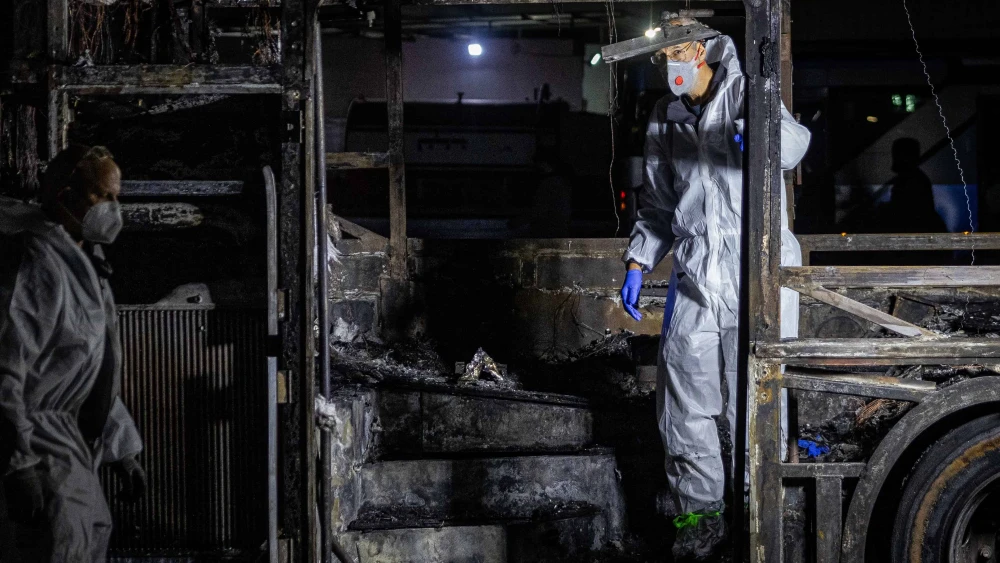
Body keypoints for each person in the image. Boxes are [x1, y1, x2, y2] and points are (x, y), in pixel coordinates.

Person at [615, 16, 811, 561]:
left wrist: (763, 135)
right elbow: (656, 201)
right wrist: (638, 260)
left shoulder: (749, 92)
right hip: (697, 273)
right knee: (683, 401)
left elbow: (795, 147)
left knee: (757, 396)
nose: (665, 68)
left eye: (671, 56)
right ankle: (700, 516)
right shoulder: (665, 115)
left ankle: (759, 507)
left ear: (699, 50)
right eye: (659, 60)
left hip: (759, 267)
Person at [0, 145, 146, 562]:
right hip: (39, 444)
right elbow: (6, 367)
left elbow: (89, 368)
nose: (115, 208)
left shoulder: (86, 262)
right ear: (65, 197)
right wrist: (18, 462)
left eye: (118, 196)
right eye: (104, 196)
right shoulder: (37, 262)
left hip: (71, 446)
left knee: (83, 542)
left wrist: (123, 449)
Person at [880, 137, 946, 234]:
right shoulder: (913, 178)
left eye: (897, 153)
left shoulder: (911, 181)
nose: (894, 157)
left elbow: (904, 213)